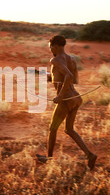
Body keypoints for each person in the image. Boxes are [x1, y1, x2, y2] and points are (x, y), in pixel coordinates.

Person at [37, 35, 97, 170]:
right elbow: (73, 80)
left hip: (66, 100)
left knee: (52, 129)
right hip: (76, 97)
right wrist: (49, 76)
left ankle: (49, 159)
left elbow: (68, 76)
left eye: (50, 46)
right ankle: (90, 155)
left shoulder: (55, 59)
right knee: (69, 129)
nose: (50, 49)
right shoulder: (72, 59)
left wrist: (60, 95)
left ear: (56, 46)